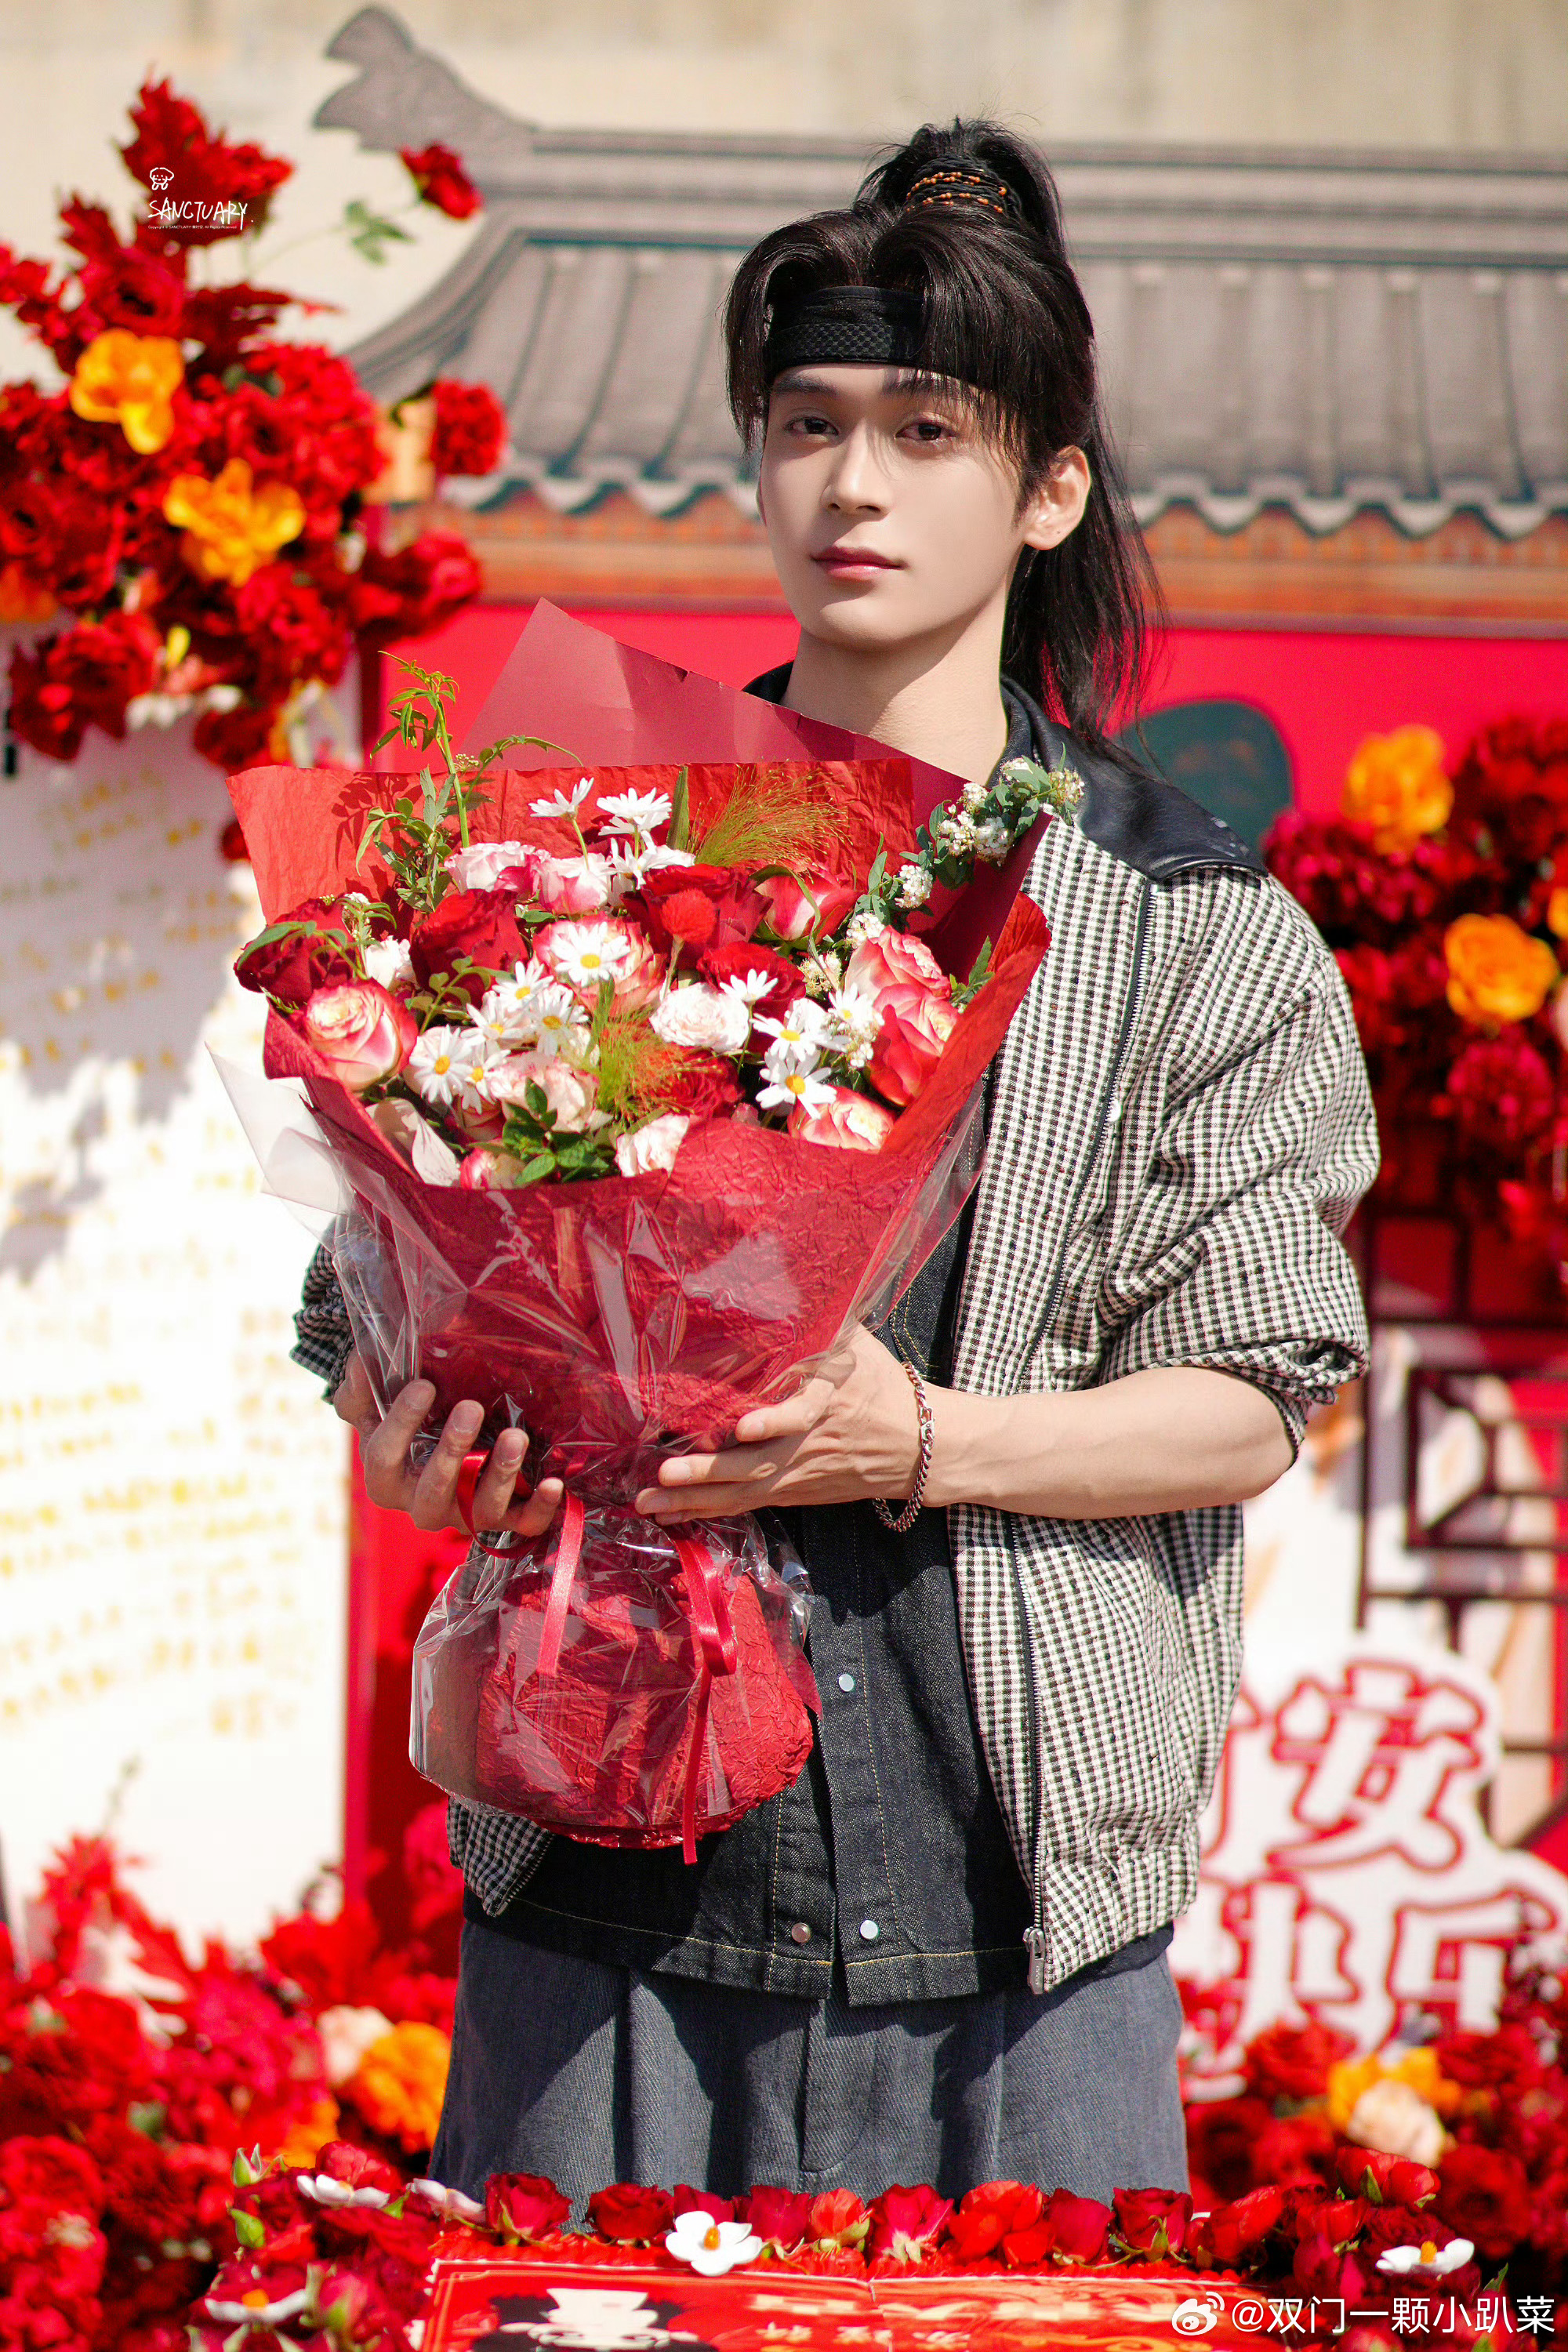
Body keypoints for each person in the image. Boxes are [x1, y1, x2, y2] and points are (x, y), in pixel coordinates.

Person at [295, 120, 1377, 2209]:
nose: (852, 486)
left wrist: (919, 1439)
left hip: (1009, 1923)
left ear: (1051, 489)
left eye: (926, 431)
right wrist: (425, 1438)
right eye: (807, 425)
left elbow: (1253, 1396)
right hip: (604, 1897)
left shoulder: (1192, 922)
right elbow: (378, 1300)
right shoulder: (578, 860)